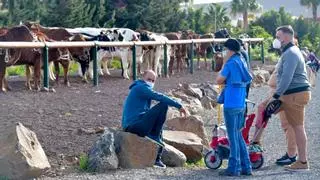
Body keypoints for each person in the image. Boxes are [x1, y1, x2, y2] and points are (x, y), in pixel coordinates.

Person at [122, 70, 187, 168]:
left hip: (137, 123)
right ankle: (156, 145)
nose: (151, 82)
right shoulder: (140, 88)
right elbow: (160, 97)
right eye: (149, 79)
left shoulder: (140, 88)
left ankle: (157, 157)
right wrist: (179, 106)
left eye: (153, 81)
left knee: (158, 123)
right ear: (142, 78)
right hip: (133, 125)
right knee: (163, 105)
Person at [271, 25, 311, 171]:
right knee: (266, 110)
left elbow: (287, 78)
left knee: (298, 127)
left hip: (295, 94)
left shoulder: (291, 53)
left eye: (278, 36)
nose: (276, 40)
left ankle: (302, 162)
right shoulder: (288, 52)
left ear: (287, 37)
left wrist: (276, 95)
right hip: (292, 94)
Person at [216, 38, 253, 176]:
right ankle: (246, 166)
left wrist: (224, 63)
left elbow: (219, 79)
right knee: (238, 135)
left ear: (229, 50)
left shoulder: (231, 62)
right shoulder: (242, 60)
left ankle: (234, 167)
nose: (224, 52)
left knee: (232, 136)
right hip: (241, 102)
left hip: (231, 102)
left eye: (225, 49)